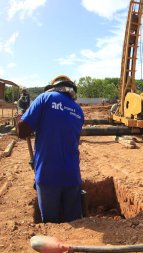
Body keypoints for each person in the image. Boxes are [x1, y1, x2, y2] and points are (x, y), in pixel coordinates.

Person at [17, 75, 84, 223]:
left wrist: (21, 116)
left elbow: (22, 132)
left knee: (50, 225)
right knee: (74, 222)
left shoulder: (45, 99)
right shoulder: (79, 111)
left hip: (47, 175)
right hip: (73, 176)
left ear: (53, 86)